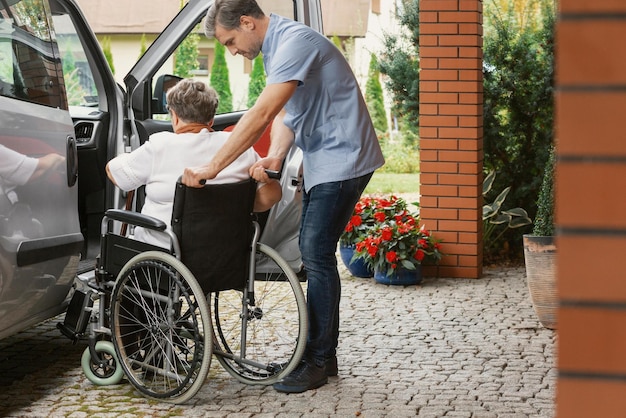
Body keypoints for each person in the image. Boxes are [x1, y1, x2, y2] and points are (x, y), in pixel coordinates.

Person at [182, 0, 385, 393]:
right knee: (316, 253)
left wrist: (213, 167)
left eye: (229, 41)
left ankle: (319, 360)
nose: (232, 51)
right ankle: (320, 356)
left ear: (246, 22)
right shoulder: (275, 51)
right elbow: (287, 116)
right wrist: (275, 155)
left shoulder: (294, 41)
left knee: (315, 254)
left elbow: (261, 113)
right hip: (325, 159)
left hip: (343, 158)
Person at [106, 78, 282, 249]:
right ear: (211, 120)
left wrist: (123, 158)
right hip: (225, 256)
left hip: (163, 257)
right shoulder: (240, 148)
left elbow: (116, 174)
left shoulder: (159, 146)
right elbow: (268, 198)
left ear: (174, 117)